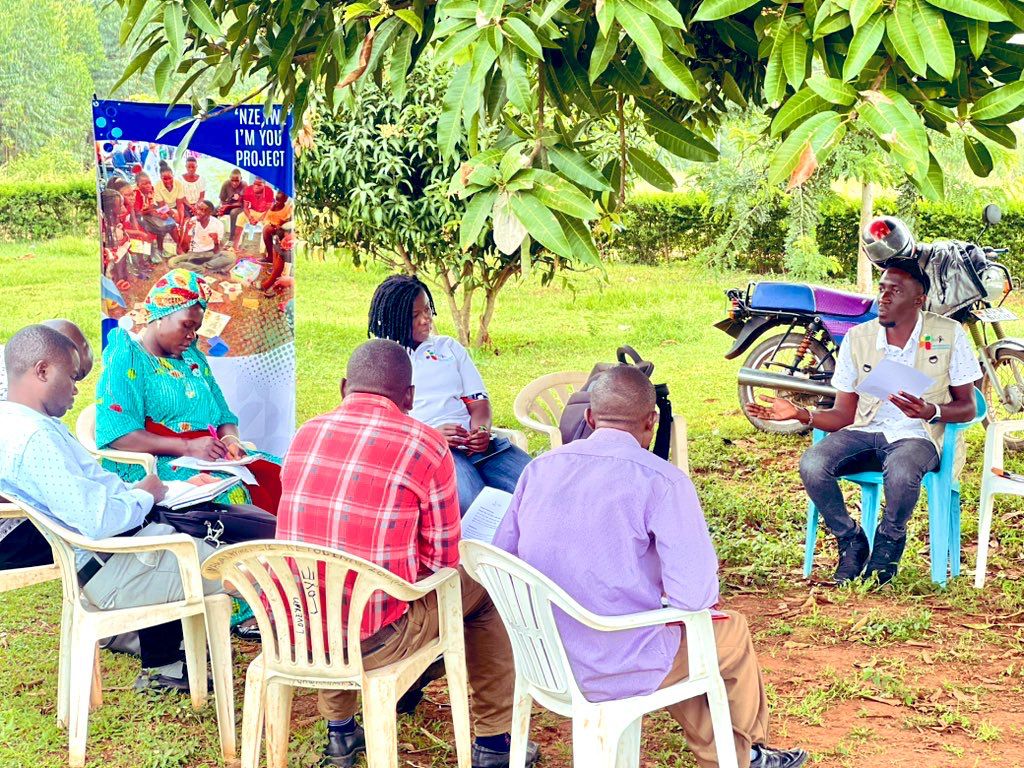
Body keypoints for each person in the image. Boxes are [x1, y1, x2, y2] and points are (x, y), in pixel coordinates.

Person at [495, 366, 808, 768]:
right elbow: (695, 596)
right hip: (611, 664)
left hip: (541, 653)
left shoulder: (540, 468)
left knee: (680, 641)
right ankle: (746, 756)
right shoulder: (662, 480)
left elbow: (503, 555)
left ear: (589, 417)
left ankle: (733, 755)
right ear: (652, 421)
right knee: (726, 633)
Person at [277, 339, 540, 768]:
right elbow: (442, 562)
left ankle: (341, 732)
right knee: (486, 587)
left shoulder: (306, 433)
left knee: (329, 581)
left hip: (298, 629)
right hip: (378, 639)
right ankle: (495, 742)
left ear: (343, 387)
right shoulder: (424, 444)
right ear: (410, 397)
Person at [747, 227, 981, 585]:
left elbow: (968, 407)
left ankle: (888, 542)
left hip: (919, 436)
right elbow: (844, 414)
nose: (883, 298)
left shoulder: (948, 334)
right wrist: (801, 414)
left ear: (918, 300)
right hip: (867, 430)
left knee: (901, 469)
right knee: (813, 463)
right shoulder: (859, 339)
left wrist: (931, 411)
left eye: (895, 291)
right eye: (882, 289)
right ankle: (851, 540)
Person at [0, 324, 225, 693]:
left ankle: (171, 660)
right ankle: (294, 660)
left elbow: (89, 497)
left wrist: (143, 493)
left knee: (192, 530)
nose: (76, 389)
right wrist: (145, 496)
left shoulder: (19, 422)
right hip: (114, 571)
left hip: (114, 559)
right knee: (245, 563)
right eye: (71, 377)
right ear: (42, 371)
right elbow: (98, 519)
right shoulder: (35, 438)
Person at [95, 269, 283, 514]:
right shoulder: (127, 356)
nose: (192, 335)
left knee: (286, 472)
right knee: (231, 493)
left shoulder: (192, 358)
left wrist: (230, 441)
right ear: (160, 315)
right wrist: (187, 446)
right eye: (187, 325)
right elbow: (119, 434)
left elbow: (224, 416)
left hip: (208, 455)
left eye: (196, 328)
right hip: (155, 463)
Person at [368, 275, 531, 516]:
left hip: (481, 447)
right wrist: (433, 436)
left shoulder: (448, 348)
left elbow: (479, 404)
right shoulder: (384, 360)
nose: (426, 319)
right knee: (475, 506)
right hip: (435, 453)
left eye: (427, 310)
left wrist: (481, 431)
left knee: (538, 485)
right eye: (415, 315)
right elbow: (383, 426)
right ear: (394, 317)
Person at [1, 320, 93, 572]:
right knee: (98, 529)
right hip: (11, 530)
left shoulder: (17, 372)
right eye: (72, 375)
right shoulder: (19, 416)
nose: (75, 390)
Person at [168, 200, 235, 274]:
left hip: (210, 254)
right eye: (198, 209)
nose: (199, 212)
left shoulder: (218, 224)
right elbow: (184, 249)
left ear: (210, 213)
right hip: (193, 255)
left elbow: (216, 251)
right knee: (172, 262)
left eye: (203, 210)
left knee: (230, 256)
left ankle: (202, 267)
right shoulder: (191, 222)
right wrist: (187, 230)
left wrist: (215, 240)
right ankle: (206, 269)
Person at [134, 172, 178, 256]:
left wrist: (167, 213)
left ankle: (175, 247)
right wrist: (153, 212)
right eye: (144, 184)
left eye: (149, 183)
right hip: (139, 217)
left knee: (171, 223)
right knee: (160, 226)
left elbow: (159, 205)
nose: (148, 185)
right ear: (138, 185)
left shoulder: (152, 190)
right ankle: (157, 251)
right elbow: (138, 213)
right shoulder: (136, 194)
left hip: (150, 214)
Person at [231, 176, 275, 251]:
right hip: (253, 211)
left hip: (265, 213)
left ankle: (263, 251)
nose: (256, 186)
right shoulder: (248, 189)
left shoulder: (269, 191)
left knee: (267, 226)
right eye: (255, 184)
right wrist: (250, 218)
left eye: (259, 185)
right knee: (240, 217)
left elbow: (269, 209)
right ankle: (235, 246)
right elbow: (245, 207)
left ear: (264, 185)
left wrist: (260, 218)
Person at [260, 189, 293, 259]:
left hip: (282, 229)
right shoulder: (272, 207)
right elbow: (266, 219)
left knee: (269, 230)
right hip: (272, 226)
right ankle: (270, 256)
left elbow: (290, 219)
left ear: (284, 200)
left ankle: (273, 257)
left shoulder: (287, 208)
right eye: (276, 200)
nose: (277, 202)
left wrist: (282, 223)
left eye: (279, 201)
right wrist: (270, 224)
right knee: (266, 229)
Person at [217, 168, 247, 240]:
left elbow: (242, 203)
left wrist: (227, 206)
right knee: (213, 210)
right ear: (229, 178)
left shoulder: (244, 185)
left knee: (233, 213)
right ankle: (213, 235)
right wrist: (221, 208)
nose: (234, 183)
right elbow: (222, 199)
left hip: (240, 207)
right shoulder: (226, 184)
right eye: (232, 180)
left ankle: (232, 239)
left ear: (241, 178)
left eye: (237, 181)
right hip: (228, 205)